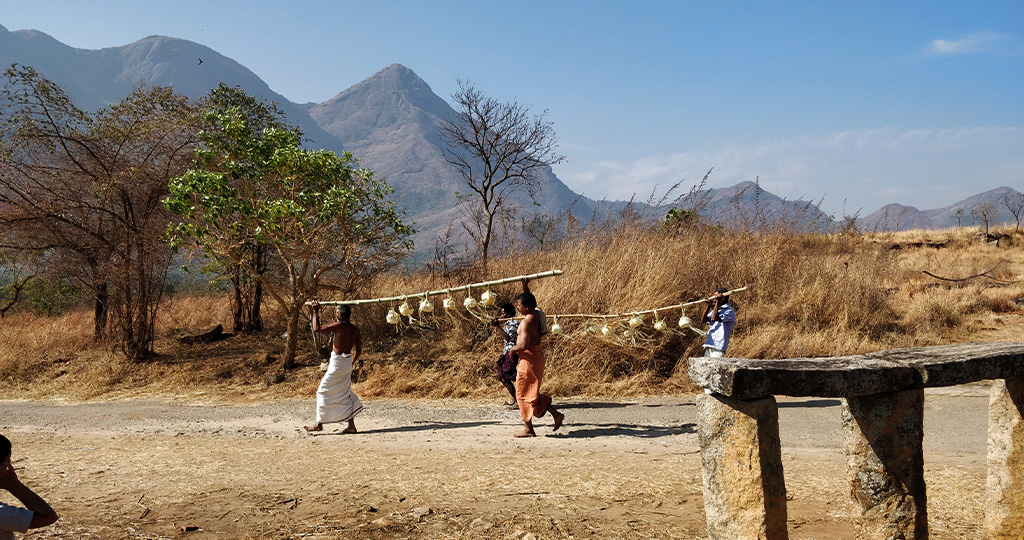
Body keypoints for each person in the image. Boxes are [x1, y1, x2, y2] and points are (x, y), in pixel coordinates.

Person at [509, 292, 564, 437]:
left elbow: (524, 344)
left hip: (529, 359)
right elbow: (530, 298)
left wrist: (512, 350)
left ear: (527, 307)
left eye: (519, 305)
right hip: (536, 357)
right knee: (530, 392)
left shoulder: (527, 321)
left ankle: (529, 429)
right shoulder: (538, 314)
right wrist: (525, 285)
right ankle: (556, 415)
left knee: (521, 394)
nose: (517, 307)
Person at [304, 302, 363, 434]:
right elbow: (358, 350)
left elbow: (316, 329)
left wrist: (315, 312)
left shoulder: (339, 326)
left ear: (340, 315)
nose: (335, 315)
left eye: (336, 313)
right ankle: (351, 426)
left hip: (337, 364)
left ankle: (318, 423)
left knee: (322, 391)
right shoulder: (355, 329)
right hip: (347, 363)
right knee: (344, 392)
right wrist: (351, 363)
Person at [0, 434, 58, 539]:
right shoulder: (2, 514)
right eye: (7, 462)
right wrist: (14, 486)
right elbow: (48, 516)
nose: (9, 468)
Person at [490, 302, 520, 407]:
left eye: (503, 314)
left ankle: (519, 400)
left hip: (511, 353)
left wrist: (497, 326)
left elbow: (508, 338)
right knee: (504, 376)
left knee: (505, 377)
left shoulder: (513, 323)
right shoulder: (508, 323)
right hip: (508, 353)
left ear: (510, 313)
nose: (501, 316)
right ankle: (518, 399)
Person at [700, 288, 737, 357]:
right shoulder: (716, 310)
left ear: (723, 298)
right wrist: (708, 306)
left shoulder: (729, 311)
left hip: (718, 347)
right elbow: (703, 320)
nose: (714, 300)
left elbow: (714, 318)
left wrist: (717, 302)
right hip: (710, 344)